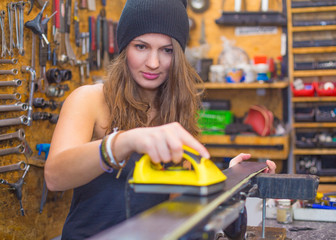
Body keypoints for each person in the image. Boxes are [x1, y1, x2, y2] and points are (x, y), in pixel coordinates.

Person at [45, 0, 276, 239]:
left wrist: (224, 181)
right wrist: (122, 142)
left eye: (167, 50)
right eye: (141, 46)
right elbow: (54, 177)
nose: (153, 63)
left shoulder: (178, 110)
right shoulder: (89, 99)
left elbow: (175, 201)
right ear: (125, 47)